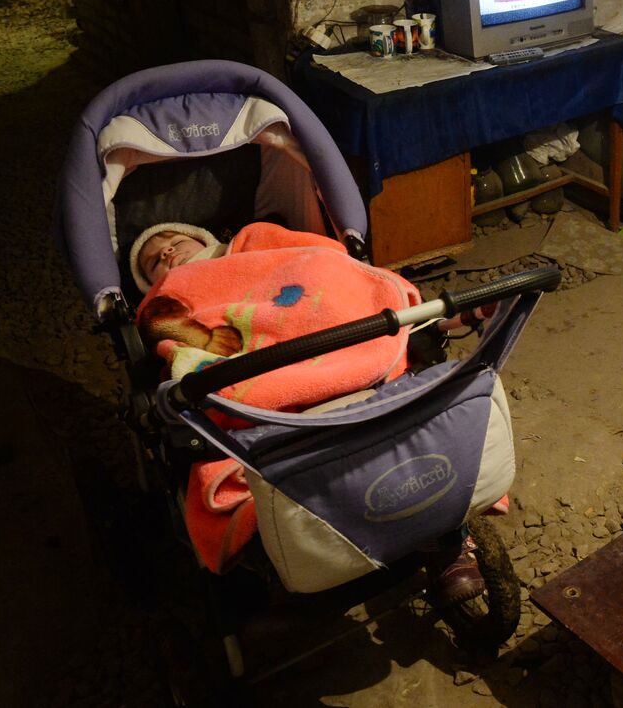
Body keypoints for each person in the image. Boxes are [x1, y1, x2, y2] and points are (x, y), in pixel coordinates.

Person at [127, 221, 485, 606]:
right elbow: (164, 331)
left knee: (331, 279)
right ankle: (304, 552)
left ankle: (444, 535)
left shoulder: (253, 242)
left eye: (174, 241)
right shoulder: (171, 294)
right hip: (260, 387)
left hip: (332, 339)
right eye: (153, 262)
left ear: (207, 241)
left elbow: (323, 258)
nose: (166, 253)